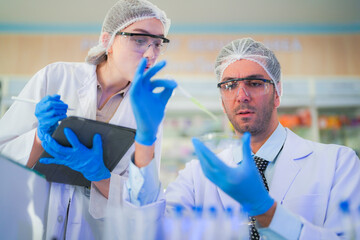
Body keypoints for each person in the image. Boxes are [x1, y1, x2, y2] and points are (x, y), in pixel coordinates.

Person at [119, 37, 360, 239]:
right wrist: (145, 138)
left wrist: (267, 211)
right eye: (230, 85)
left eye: (255, 83)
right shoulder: (198, 175)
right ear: (222, 101)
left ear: (277, 93)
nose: (241, 95)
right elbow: (149, 232)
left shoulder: (338, 162)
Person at [0, 0, 177, 239]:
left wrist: (100, 175)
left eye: (158, 43)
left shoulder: (146, 110)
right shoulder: (56, 76)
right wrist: (39, 139)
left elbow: (144, 202)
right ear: (108, 41)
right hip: (29, 225)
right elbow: (3, 158)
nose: (151, 53)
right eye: (139, 39)